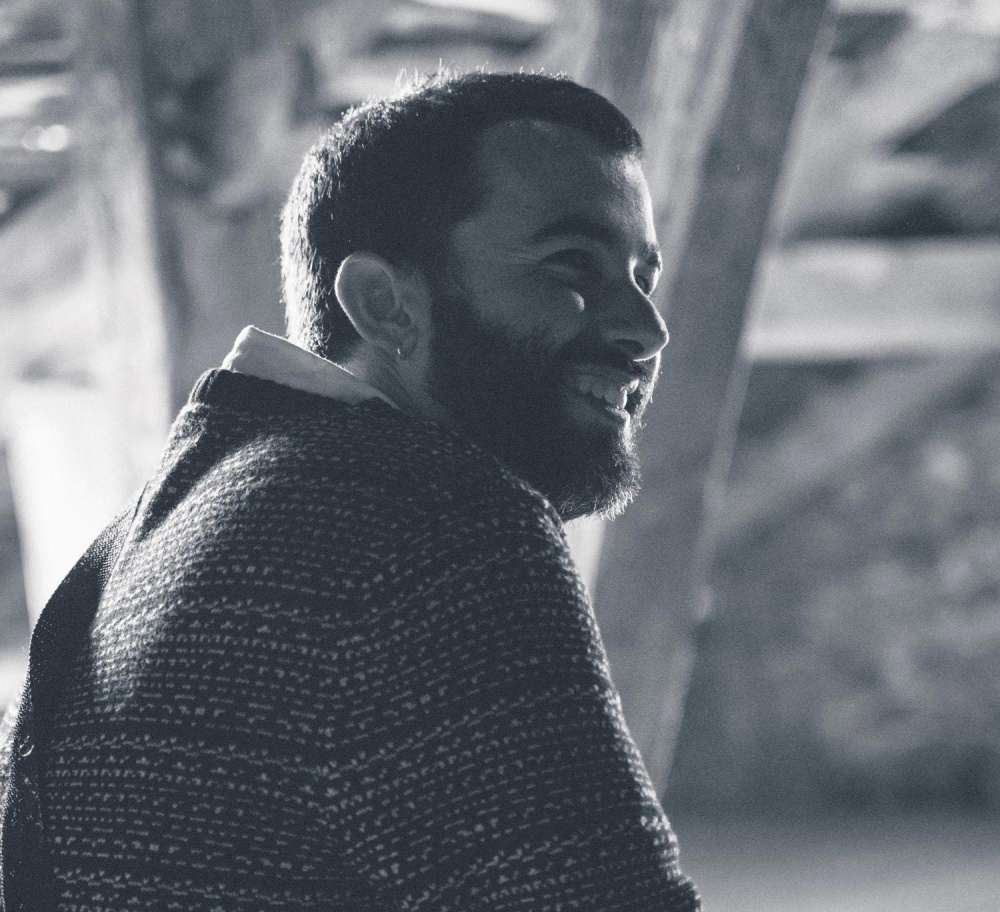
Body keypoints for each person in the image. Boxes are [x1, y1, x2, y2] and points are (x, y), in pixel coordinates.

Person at [0, 71, 700, 910]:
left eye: (642, 276)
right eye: (571, 265)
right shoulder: (437, 525)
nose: (645, 329)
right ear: (383, 304)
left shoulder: (128, 551)